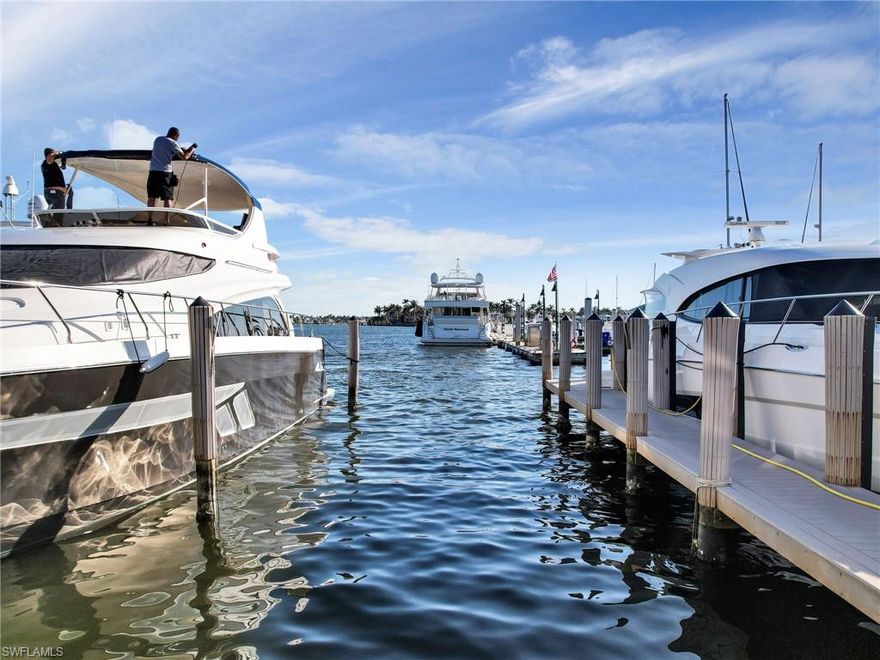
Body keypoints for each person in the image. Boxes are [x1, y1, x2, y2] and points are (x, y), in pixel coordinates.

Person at [147, 127, 196, 207]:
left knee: (151, 197)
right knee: (167, 198)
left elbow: (166, 149)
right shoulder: (173, 143)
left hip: (153, 172)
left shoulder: (158, 140)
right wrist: (192, 150)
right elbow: (184, 157)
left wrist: (180, 149)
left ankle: (150, 218)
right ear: (176, 135)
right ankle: (166, 219)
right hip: (165, 173)